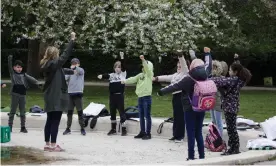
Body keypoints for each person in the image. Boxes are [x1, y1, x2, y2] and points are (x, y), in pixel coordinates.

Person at [157, 47, 212, 160]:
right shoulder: (205, 75)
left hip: (189, 108)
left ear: (192, 67)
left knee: (191, 133)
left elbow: (175, 86)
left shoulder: (188, 79)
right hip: (201, 107)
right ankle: (202, 156)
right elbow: (209, 65)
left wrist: (161, 92)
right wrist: (208, 54)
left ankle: (191, 157)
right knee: (198, 133)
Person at [40, 32, 76, 152]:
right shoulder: (54, 64)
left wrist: (70, 71)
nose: (59, 56)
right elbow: (65, 56)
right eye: (58, 54)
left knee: (49, 120)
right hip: (56, 96)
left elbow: (60, 70)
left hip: (49, 95)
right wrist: (72, 40)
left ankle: (47, 144)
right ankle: (53, 145)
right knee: (55, 120)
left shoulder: (48, 64)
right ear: (55, 55)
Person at [211, 54, 252, 156]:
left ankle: (232, 149)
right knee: (232, 128)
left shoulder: (233, 80)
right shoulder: (240, 80)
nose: (228, 72)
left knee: (231, 129)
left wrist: (210, 78)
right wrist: (236, 60)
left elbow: (220, 81)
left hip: (229, 107)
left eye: (230, 70)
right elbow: (239, 67)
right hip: (234, 107)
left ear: (235, 72)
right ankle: (235, 147)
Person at [153, 50, 189, 143]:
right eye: (177, 66)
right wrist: (156, 78)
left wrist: (180, 56)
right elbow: (166, 77)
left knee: (180, 116)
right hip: (175, 97)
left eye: (180, 66)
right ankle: (175, 134)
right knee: (176, 116)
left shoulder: (185, 73)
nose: (178, 67)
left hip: (181, 96)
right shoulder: (175, 75)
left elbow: (184, 64)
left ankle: (180, 136)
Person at [122, 55, 154, 140]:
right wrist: (125, 81)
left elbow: (147, 68)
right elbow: (133, 79)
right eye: (143, 65)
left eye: (145, 65)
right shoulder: (140, 75)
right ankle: (142, 132)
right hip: (140, 97)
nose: (143, 67)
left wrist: (143, 60)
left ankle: (148, 133)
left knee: (147, 116)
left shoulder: (150, 74)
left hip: (147, 97)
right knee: (141, 116)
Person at [8, 55, 41, 133]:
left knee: (22, 111)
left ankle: (23, 127)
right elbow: (9, 67)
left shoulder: (24, 74)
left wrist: (37, 83)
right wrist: (10, 59)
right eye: (17, 67)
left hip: (23, 95)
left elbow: (31, 79)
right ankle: (10, 127)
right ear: (14, 68)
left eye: (20, 67)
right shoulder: (13, 74)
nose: (19, 69)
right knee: (12, 111)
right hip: (15, 94)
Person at [97, 52, 127, 136]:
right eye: (116, 67)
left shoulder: (123, 74)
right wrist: (101, 76)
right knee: (112, 112)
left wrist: (122, 57)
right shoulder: (112, 75)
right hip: (112, 96)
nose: (117, 69)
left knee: (121, 112)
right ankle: (113, 128)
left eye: (119, 67)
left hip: (119, 96)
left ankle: (124, 129)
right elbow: (106, 75)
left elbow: (124, 66)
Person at [63, 58, 86, 136]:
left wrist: (75, 68)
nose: (74, 65)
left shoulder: (81, 71)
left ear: (78, 64)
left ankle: (82, 128)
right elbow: (65, 79)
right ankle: (68, 128)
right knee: (69, 112)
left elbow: (79, 70)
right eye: (73, 63)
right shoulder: (70, 72)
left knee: (80, 112)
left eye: (76, 63)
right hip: (70, 94)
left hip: (78, 94)